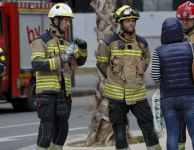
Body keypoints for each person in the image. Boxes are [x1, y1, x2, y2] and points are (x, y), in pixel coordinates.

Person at [96, 5, 161, 150]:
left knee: (148, 128)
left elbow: (146, 62)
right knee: (119, 133)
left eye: (133, 20)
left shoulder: (142, 43)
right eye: (127, 21)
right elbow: (101, 63)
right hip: (116, 95)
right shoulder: (109, 43)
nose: (131, 23)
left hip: (137, 93)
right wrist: (113, 78)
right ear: (120, 23)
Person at [31, 3, 88, 150]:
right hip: (47, 93)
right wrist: (60, 60)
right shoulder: (41, 40)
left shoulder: (68, 43)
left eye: (69, 21)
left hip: (64, 94)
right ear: (56, 20)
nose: (68, 24)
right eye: (66, 20)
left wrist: (83, 49)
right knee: (47, 131)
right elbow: (36, 64)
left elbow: (79, 62)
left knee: (62, 131)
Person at [151, 17, 194, 150]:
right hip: (189, 95)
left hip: (167, 97)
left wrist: (164, 86)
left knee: (172, 135)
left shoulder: (158, 51)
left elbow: (155, 75)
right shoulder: (191, 47)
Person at [176, 1, 194, 149]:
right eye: (182, 19)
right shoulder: (173, 36)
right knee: (180, 124)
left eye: (188, 19)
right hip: (180, 89)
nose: (184, 21)